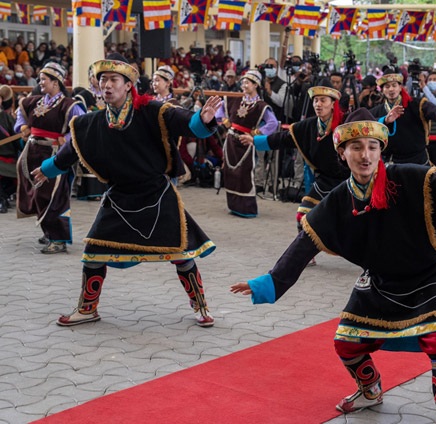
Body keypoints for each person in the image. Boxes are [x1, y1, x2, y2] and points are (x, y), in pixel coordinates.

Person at [231, 107, 436, 423]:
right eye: (356, 147)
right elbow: (304, 244)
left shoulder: (408, 176)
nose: (365, 154)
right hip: (380, 281)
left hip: (427, 276)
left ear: (380, 150)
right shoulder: (337, 200)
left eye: (372, 146)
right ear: (342, 153)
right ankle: (370, 390)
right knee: (346, 342)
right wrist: (270, 282)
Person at [30, 53, 222, 327]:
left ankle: (201, 306)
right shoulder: (91, 123)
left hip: (157, 194)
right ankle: (87, 309)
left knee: (182, 255)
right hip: (119, 197)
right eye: (102, 80)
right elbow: (69, 151)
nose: (106, 85)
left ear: (128, 84)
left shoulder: (153, 111)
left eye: (113, 79)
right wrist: (47, 170)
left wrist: (202, 120)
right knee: (93, 254)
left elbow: (186, 122)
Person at [251, 84, 347, 233]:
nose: (318, 104)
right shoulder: (309, 125)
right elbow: (284, 138)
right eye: (315, 101)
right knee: (303, 217)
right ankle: (307, 255)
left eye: (323, 100)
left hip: (348, 181)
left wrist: (385, 120)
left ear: (333, 104)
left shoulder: (346, 123)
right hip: (324, 181)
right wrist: (255, 141)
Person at [14, 61, 86, 253]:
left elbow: (80, 126)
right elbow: (20, 115)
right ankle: (49, 232)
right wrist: (22, 127)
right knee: (39, 195)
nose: (40, 82)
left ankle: (59, 239)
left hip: (55, 157)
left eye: (44, 79)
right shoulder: (34, 101)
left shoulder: (69, 105)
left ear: (56, 82)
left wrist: (68, 140)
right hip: (33, 153)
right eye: (40, 79)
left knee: (55, 197)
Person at [218, 69, 278, 217]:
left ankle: (247, 208)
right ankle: (234, 206)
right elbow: (219, 110)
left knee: (244, 174)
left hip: (246, 142)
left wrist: (256, 134)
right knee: (230, 173)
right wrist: (225, 121)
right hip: (231, 140)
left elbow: (273, 123)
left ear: (256, 85)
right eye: (243, 82)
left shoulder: (260, 106)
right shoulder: (235, 98)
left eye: (248, 82)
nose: (244, 85)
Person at [369, 72, 436, 165]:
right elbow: (369, 124)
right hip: (391, 161)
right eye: (387, 87)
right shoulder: (376, 111)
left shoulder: (416, 104)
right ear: (382, 90)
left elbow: (432, 110)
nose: (391, 89)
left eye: (394, 85)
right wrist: (385, 120)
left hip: (417, 160)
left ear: (400, 87)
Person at [0, 84, 19, 213]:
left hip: (9, 157)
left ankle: (3, 197)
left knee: (23, 177)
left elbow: (17, 138)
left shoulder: (7, 118)